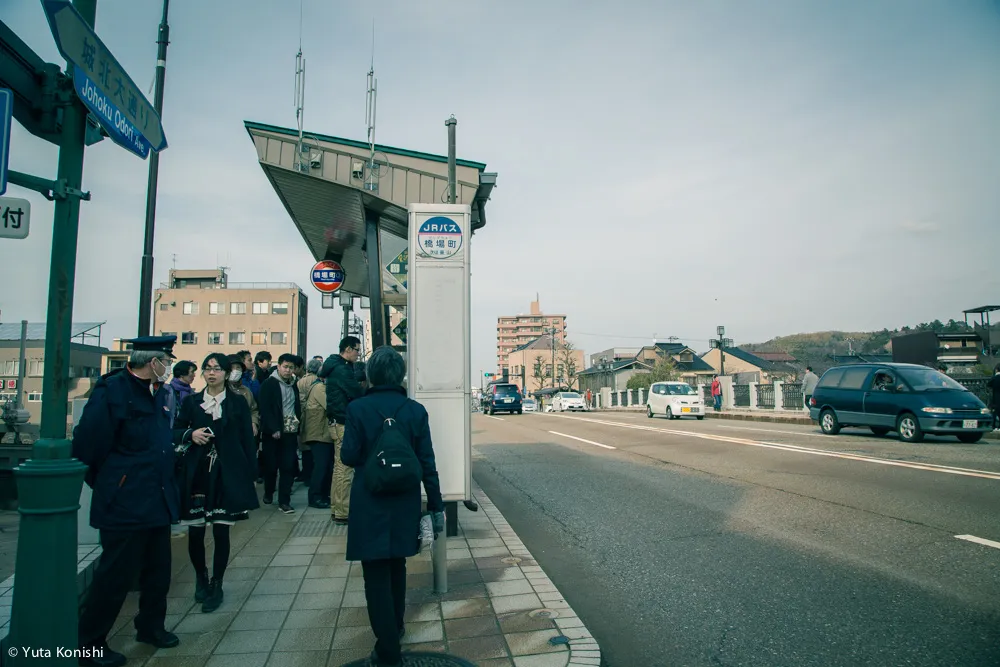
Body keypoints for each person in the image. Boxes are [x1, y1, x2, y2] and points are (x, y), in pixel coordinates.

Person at [72, 336, 182, 666]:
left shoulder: (160, 393)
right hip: (124, 502)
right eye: (167, 360)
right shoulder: (113, 391)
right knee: (114, 577)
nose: (168, 367)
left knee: (158, 571)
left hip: (157, 498)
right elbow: (87, 446)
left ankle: (151, 626)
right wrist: (115, 483)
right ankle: (89, 644)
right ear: (152, 362)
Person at [341, 347, 444, 667]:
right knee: (397, 565)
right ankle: (395, 628)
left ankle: (387, 650)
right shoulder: (414, 410)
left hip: (369, 499)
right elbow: (427, 462)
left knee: (374, 573)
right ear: (400, 376)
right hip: (405, 500)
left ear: (370, 375)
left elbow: (348, 456)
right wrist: (436, 506)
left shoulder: (357, 409)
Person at [173, 353, 259, 612]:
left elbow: (247, 440)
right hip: (197, 472)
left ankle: (217, 582)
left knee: (222, 531)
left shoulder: (237, 402)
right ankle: (200, 577)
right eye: (207, 369)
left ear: (226, 372)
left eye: (217, 369)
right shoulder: (191, 402)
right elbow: (175, 429)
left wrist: (251, 476)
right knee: (196, 530)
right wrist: (191, 433)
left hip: (226, 473)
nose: (212, 373)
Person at [322, 336, 364, 524]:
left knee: (339, 468)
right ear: (347, 349)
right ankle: (343, 511)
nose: (358, 353)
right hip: (342, 422)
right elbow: (355, 392)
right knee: (345, 468)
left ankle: (337, 508)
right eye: (356, 349)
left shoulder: (335, 366)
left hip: (336, 421)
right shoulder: (342, 370)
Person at [258, 353, 301, 513]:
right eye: (285, 367)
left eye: (291, 368)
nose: (288, 371)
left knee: (288, 466)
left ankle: (284, 500)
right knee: (271, 466)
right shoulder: (270, 384)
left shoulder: (294, 384)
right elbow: (265, 408)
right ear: (278, 367)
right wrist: (273, 428)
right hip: (272, 433)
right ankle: (269, 492)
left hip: (290, 431)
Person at [300, 358, 335, 508]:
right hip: (319, 434)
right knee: (321, 466)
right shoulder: (320, 388)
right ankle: (315, 497)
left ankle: (321, 495)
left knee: (324, 466)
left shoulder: (317, 386)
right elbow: (330, 406)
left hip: (319, 434)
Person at [296, 357, 321, 485]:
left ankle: (305, 475)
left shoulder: (301, 381)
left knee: (304, 448)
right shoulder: (318, 382)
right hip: (316, 417)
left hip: (302, 416)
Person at [227, 355, 259, 438]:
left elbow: (253, 410)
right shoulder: (219, 389)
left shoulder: (246, 390)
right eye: (232, 368)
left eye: (238, 368)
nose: (235, 371)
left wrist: (254, 422)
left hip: (244, 434)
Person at [163, 360, 196, 425]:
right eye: (192, 372)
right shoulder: (166, 390)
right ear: (182, 374)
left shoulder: (192, 393)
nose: (194, 375)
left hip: (183, 430)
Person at [989, 364, 1000, 430]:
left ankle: (993, 425)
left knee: (995, 411)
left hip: (996, 397)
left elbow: (989, 384)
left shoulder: (995, 378)